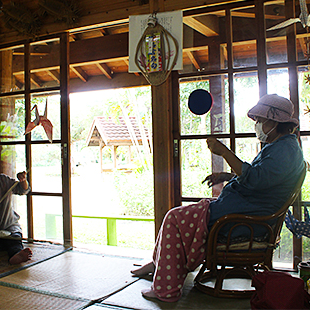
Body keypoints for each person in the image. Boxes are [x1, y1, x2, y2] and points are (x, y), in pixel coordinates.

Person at [131, 94, 305, 302]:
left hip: (245, 221)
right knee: (181, 215)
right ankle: (160, 264)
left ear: (275, 122)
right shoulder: (281, 147)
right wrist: (226, 176)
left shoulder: (284, 150)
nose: (257, 125)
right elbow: (262, 181)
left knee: (174, 218)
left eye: (260, 120)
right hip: (243, 210)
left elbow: (255, 179)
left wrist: (224, 151)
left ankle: (166, 288)